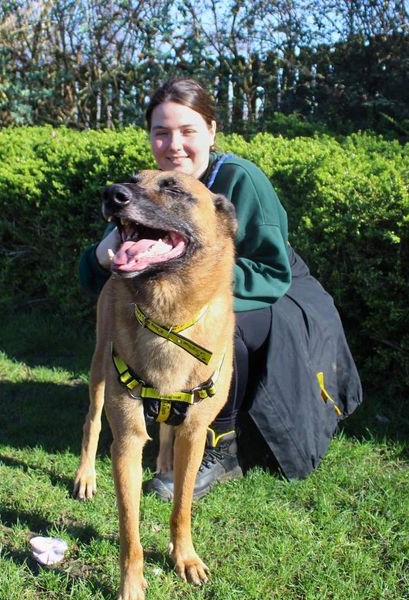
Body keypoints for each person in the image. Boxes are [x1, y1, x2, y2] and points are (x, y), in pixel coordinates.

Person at [78, 77, 362, 500]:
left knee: (220, 319)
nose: (174, 144)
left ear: (211, 131)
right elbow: (95, 275)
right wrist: (105, 255)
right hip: (206, 291)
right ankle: (169, 411)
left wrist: (199, 290)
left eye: (187, 131)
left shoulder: (241, 180)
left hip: (276, 294)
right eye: (161, 132)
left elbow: (271, 269)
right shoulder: (151, 187)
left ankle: (220, 442)